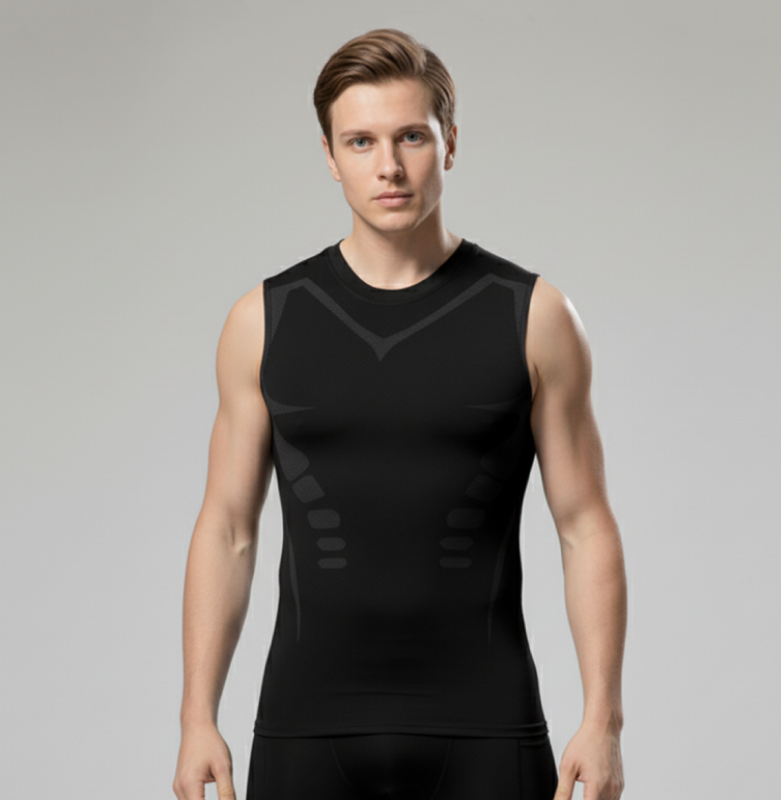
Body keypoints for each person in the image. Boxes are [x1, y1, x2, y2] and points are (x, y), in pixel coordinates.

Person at [173, 28, 627, 800]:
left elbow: (585, 526)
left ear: (449, 142)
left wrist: (603, 720)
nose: (388, 166)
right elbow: (227, 529)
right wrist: (196, 719)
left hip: (487, 727)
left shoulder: (534, 316)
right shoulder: (264, 320)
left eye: (411, 136)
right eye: (361, 141)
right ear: (330, 155)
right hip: (306, 727)